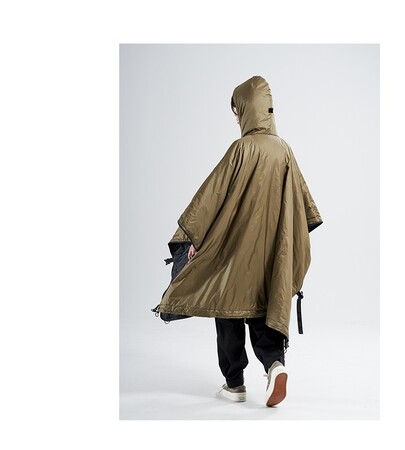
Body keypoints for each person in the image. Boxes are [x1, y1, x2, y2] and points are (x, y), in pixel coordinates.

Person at [158, 75, 323, 407]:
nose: (235, 118)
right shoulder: (285, 150)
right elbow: (303, 205)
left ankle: (235, 384)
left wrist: (193, 237)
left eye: (236, 111)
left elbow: (211, 197)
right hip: (271, 254)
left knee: (227, 306)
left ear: (246, 110)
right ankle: (274, 366)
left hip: (232, 252)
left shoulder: (240, 149)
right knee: (263, 309)